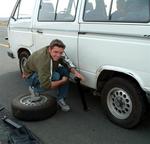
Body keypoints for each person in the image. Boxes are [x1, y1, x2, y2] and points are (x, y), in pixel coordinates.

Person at [22, 39, 84, 112]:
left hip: (46, 69)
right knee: (56, 76)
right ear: (49, 49)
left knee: (65, 70)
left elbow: (66, 62)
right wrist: (63, 81)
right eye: (55, 52)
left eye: (60, 52)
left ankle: (61, 99)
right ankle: (35, 89)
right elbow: (46, 85)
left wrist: (76, 72)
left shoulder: (57, 50)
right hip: (31, 76)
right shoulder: (44, 61)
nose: (58, 55)